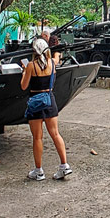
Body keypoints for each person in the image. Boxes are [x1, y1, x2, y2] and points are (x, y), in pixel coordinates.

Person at [20, 38, 71, 180]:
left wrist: (24, 72)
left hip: (36, 102)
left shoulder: (31, 66)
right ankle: (64, 166)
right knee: (55, 134)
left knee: (37, 137)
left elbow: (24, 86)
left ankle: (39, 171)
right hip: (49, 100)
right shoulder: (52, 64)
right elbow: (56, 58)